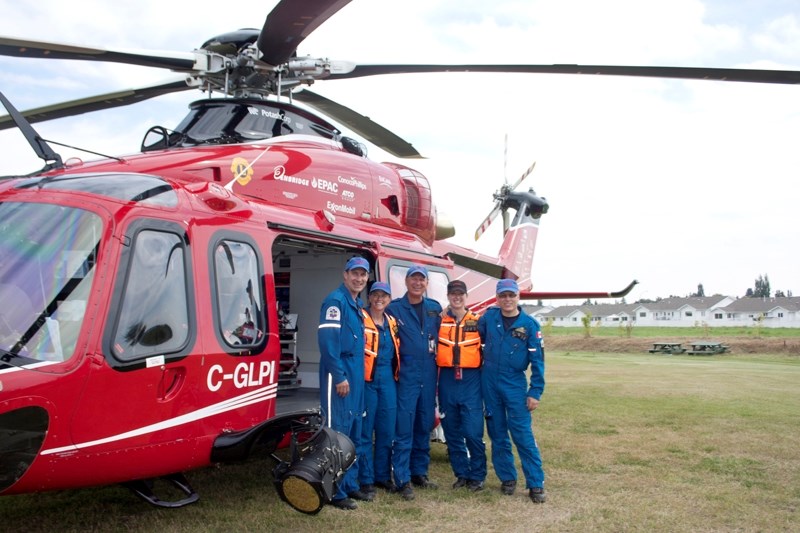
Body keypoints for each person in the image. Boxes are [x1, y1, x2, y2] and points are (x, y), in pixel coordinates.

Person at [478, 279, 547, 504]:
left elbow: (538, 361)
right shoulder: (489, 318)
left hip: (514, 383)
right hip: (489, 382)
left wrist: (535, 391)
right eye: (503, 296)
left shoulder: (530, 325)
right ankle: (507, 478)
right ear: (497, 298)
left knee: (522, 435)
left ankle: (535, 483)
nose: (507, 300)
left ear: (518, 296)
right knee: (497, 434)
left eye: (511, 295)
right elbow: (473, 335)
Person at [317, 256, 371, 510]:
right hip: (339, 372)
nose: (359, 278)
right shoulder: (335, 302)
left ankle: (350, 485)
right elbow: (328, 345)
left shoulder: (356, 304)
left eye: (363, 274)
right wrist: (339, 376)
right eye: (354, 274)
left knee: (355, 431)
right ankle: (334, 492)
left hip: (356, 373)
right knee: (337, 434)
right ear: (345, 275)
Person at [387, 264, 442, 500]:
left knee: (423, 425)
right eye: (413, 279)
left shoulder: (434, 309)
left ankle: (420, 472)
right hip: (406, 377)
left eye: (422, 279)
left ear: (426, 283)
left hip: (429, 376)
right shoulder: (394, 308)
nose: (417, 283)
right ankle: (402, 478)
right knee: (404, 428)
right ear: (406, 282)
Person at [437, 279, 487, 491]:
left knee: (473, 431)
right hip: (447, 379)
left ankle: (477, 475)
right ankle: (462, 474)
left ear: (466, 297)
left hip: (470, 380)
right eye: (453, 294)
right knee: (452, 431)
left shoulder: (478, 321)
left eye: (460, 294)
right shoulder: (439, 321)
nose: (457, 297)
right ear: (448, 297)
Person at [357, 281, 401, 499]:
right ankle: (365, 479)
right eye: (375, 295)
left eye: (384, 296)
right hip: (367, 382)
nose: (379, 299)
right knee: (365, 431)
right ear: (370, 297)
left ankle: (382, 476)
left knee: (387, 431)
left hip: (388, 381)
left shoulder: (392, 322)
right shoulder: (359, 318)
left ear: (389, 299)